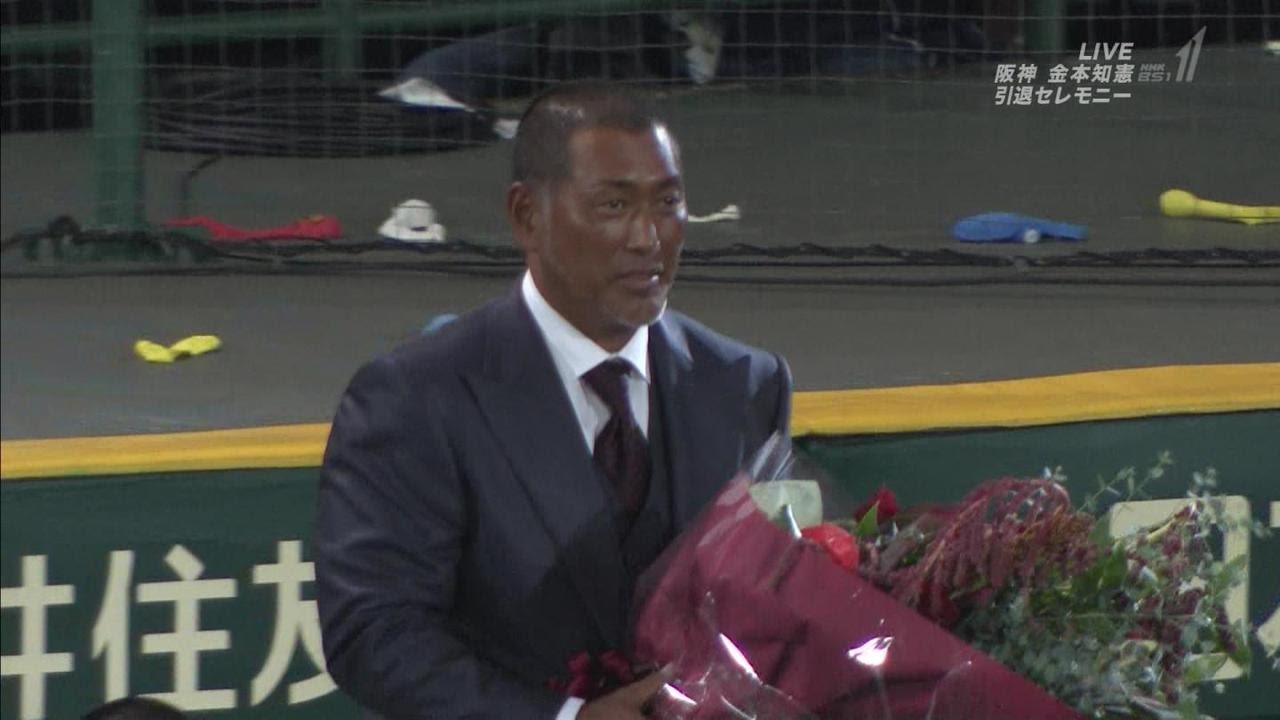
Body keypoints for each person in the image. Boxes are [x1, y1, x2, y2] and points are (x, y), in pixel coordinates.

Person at [314, 81, 792, 720]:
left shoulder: (745, 384)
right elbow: (374, 632)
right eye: (613, 205)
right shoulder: (416, 398)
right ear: (526, 216)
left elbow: (772, 604)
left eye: (668, 203)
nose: (648, 238)